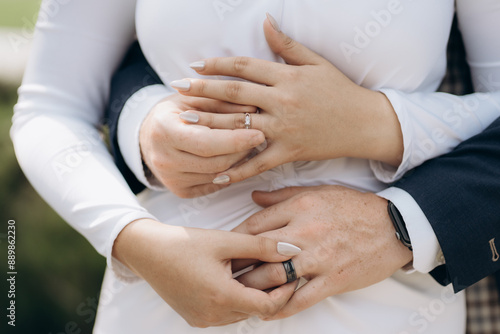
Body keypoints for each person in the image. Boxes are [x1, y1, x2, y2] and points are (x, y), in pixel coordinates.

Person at [10, 1, 500, 333]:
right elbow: (50, 107)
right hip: (164, 301)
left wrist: (377, 129)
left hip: (387, 302)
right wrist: (131, 237)